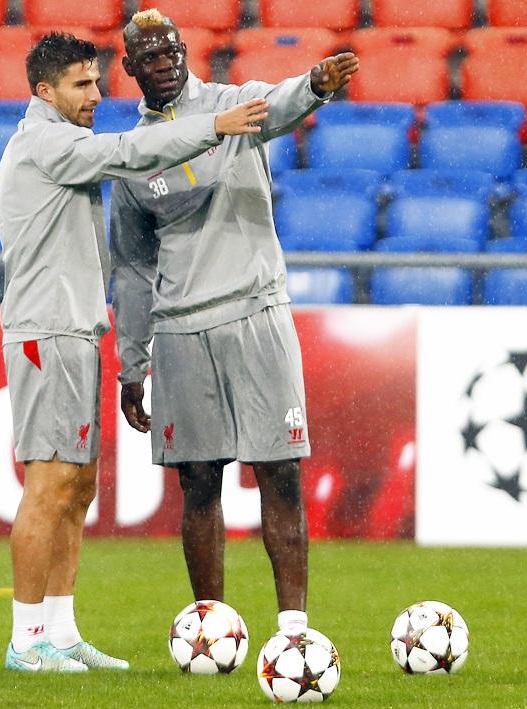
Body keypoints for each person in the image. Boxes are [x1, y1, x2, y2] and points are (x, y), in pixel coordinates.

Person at [0, 31, 270, 673]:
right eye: (81, 85)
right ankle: (24, 638)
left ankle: (60, 632)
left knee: (78, 483)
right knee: (49, 481)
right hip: (47, 330)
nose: (96, 95)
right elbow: (133, 150)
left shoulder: (59, 141)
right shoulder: (47, 142)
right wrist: (213, 127)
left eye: (96, 82)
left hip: (74, 329)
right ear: (43, 90)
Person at [110, 9, 359, 637]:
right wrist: (132, 363)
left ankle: (294, 630)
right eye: (150, 55)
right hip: (180, 330)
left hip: (255, 313)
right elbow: (134, 269)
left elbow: (280, 105)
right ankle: (211, 628)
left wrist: (317, 85)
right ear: (131, 68)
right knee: (198, 483)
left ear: (186, 51)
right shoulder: (133, 155)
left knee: (279, 471)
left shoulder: (235, 105)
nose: (164, 61)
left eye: (171, 49)